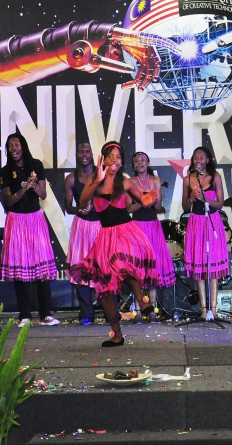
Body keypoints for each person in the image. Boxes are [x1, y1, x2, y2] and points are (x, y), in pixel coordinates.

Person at [70, 142, 158, 346]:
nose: (115, 160)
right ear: (102, 159)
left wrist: (149, 198)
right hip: (105, 236)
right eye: (110, 156)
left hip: (126, 232)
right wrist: (97, 180)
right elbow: (82, 203)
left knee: (122, 264)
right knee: (104, 286)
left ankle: (142, 301)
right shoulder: (94, 180)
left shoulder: (125, 182)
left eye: (118, 157)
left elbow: (142, 201)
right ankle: (117, 334)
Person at [0, 133, 60, 328]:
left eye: (16, 144)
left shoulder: (36, 165)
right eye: (10, 146)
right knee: (20, 268)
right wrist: (23, 189)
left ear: (23, 146)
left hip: (35, 219)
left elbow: (43, 193)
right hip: (16, 220)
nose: (14, 148)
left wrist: (34, 186)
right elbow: (8, 201)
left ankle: (45, 314)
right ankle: (24, 315)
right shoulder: (5, 171)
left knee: (41, 268)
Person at [181, 146, 230, 320]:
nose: (198, 161)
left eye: (201, 158)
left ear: (208, 160)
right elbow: (185, 207)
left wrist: (206, 199)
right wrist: (192, 199)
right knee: (200, 264)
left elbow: (220, 204)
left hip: (212, 221)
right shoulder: (188, 179)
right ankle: (203, 310)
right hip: (196, 222)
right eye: (195, 158)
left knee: (212, 265)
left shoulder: (215, 177)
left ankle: (214, 309)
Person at [126, 151, 175, 321]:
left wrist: (153, 201)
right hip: (137, 228)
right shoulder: (130, 182)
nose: (139, 163)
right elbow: (129, 209)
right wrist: (143, 200)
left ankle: (152, 309)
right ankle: (139, 311)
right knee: (139, 269)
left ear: (147, 163)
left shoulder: (155, 180)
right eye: (136, 161)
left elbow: (159, 206)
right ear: (133, 165)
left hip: (153, 227)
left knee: (153, 267)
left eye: (142, 160)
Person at [64, 143, 99, 325]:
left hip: (101, 226)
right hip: (81, 226)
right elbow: (68, 207)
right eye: (81, 151)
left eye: (87, 151)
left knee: (104, 267)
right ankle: (86, 312)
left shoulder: (101, 176)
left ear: (92, 155)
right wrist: (80, 209)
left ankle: (111, 311)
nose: (84, 154)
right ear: (76, 155)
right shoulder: (71, 179)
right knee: (79, 268)